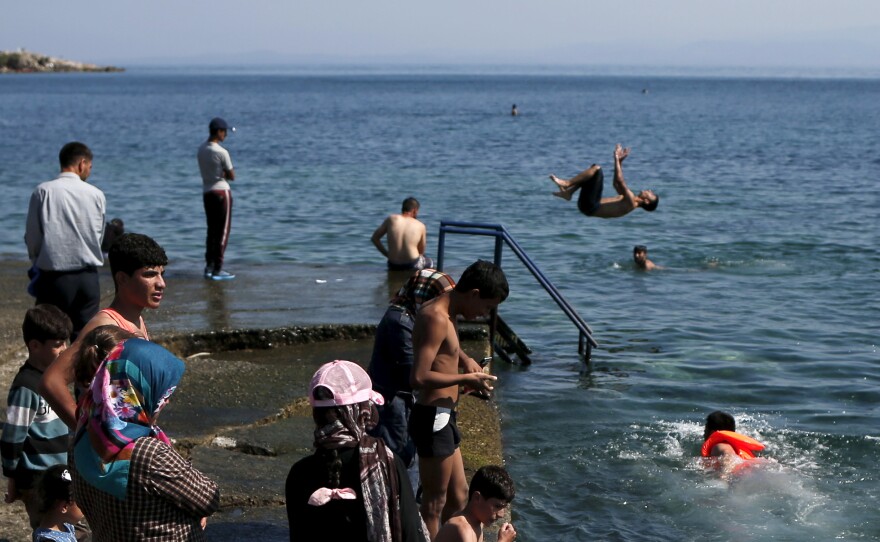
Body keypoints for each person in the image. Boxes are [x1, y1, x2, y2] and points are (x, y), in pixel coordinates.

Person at [71, 339, 220, 541]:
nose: (166, 400)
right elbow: (207, 498)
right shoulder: (148, 454)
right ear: (137, 388)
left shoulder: (83, 433)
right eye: (164, 392)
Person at [409, 260, 509, 540]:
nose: (484, 314)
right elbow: (417, 376)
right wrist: (465, 380)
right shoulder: (435, 317)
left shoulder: (449, 310)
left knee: (460, 495)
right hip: (432, 416)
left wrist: (466, 361)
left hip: (445, 414)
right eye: (487, 307)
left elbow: (448, 348)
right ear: (474, 294)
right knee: (433, 503)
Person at [285, 360, 429, 542]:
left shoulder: (299, 473)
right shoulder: (386, 462)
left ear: (316, 415)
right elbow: (412, 533)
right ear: (363, 412)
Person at [39, 233, 168, 428]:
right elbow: (51, 381)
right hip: (105, 451)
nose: (161, 283)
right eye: (149, 275)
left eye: (162, 274)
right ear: (122, 279)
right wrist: (87, 432)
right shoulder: (105, 325)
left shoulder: (137, 319)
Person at [369, 268, 457, 488]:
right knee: (400, 458)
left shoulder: (410, 315)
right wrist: (460, 379)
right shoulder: (399, 321)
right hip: (392, 401)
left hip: (402, 397)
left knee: (408, 456)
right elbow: (413, 369)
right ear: (427, 295)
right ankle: (402, 510)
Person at [25, 142, 106, 338]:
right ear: (82, 164)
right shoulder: (96, 194)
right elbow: (98, 234)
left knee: (49, 336)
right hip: (87, 277)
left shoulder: (43, 191)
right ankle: (83, 369)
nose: (89, 171)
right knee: (84, 338)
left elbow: (33, 236)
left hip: (53, 277)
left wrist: (36, 260)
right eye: (90, 167)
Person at [1, 305, 72, 529]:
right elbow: (13, 437)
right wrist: (12, 477)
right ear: (34, 345)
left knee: (71, 524)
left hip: (61, 471)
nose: (65, 349)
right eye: (57, 344)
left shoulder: (55, 378)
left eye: (66, 342)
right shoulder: (26, 387)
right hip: (37, 479)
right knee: (46, 527)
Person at [549, 144, 659, 218]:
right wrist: (619, 163)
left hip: (591, 206)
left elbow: (620, 181)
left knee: (597, 170)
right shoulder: (629, 199)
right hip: (589, 206)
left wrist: (615, 158)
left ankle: (567, 183)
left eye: (651, 193)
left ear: (647, 201)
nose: (649, 190)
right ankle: (569, 193)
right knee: (591, 172)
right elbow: (616, 184)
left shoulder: (630, 202)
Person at [434, 465, 517, 542]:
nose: (501, 514)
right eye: (497, 506)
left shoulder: (477, 522)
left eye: (504, 507)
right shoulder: (462, 530)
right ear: (477, 498)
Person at [198, 117, 236, 280]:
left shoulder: (201, 149)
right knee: (223, 232)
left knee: (211, 231)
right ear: (219, 132)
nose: (225, 135)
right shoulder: (222, 152)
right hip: (222, 191)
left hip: (207, 192)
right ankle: (218, 268)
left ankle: (209, 265)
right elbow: (232, 175)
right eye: (225, 132)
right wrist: (224, 174)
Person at [372, 197, 434, 271]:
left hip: (393, 264)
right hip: (411, 264)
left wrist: (387, 255)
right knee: (429, 262)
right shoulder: (421, 225)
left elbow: (374, 238)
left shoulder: (391, 219)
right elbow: (421, 252)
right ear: (415, 210)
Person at [31, 464, 83, 542]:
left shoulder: (65, 527)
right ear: (64, 507)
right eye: (81, 502)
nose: (85, 507)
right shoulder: (48, 540)